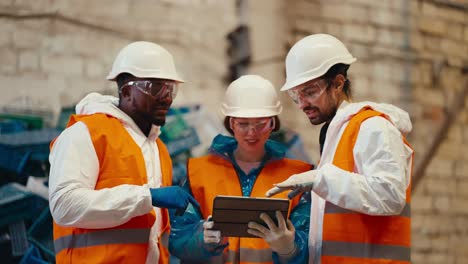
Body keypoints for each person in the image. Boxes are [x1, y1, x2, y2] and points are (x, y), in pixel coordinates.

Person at [266, 33, 414, 264]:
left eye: (310, 92)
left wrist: (321, 179)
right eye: (296, 95)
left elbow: (391, 195)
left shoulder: (373, 127)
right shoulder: (337, 135)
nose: (303, 103)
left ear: (337, 83)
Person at [48, 41, 200, 264]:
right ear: (127, 91)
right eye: (155, 87)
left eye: (171, 88)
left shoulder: (159, 149)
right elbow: (64, 205)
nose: (166, 97)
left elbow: (152, 234)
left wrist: (196, 237)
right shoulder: (87, 132)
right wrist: (148, 196)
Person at [168, 75, 313, 263]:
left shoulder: (297, 177)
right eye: (243, 124)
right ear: (230, 124)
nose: (251, 133)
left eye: (261, 124)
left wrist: (290, 248)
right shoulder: (198, 172)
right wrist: (201, 239)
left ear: (273, 124)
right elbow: (177, 237)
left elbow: (312, 244)